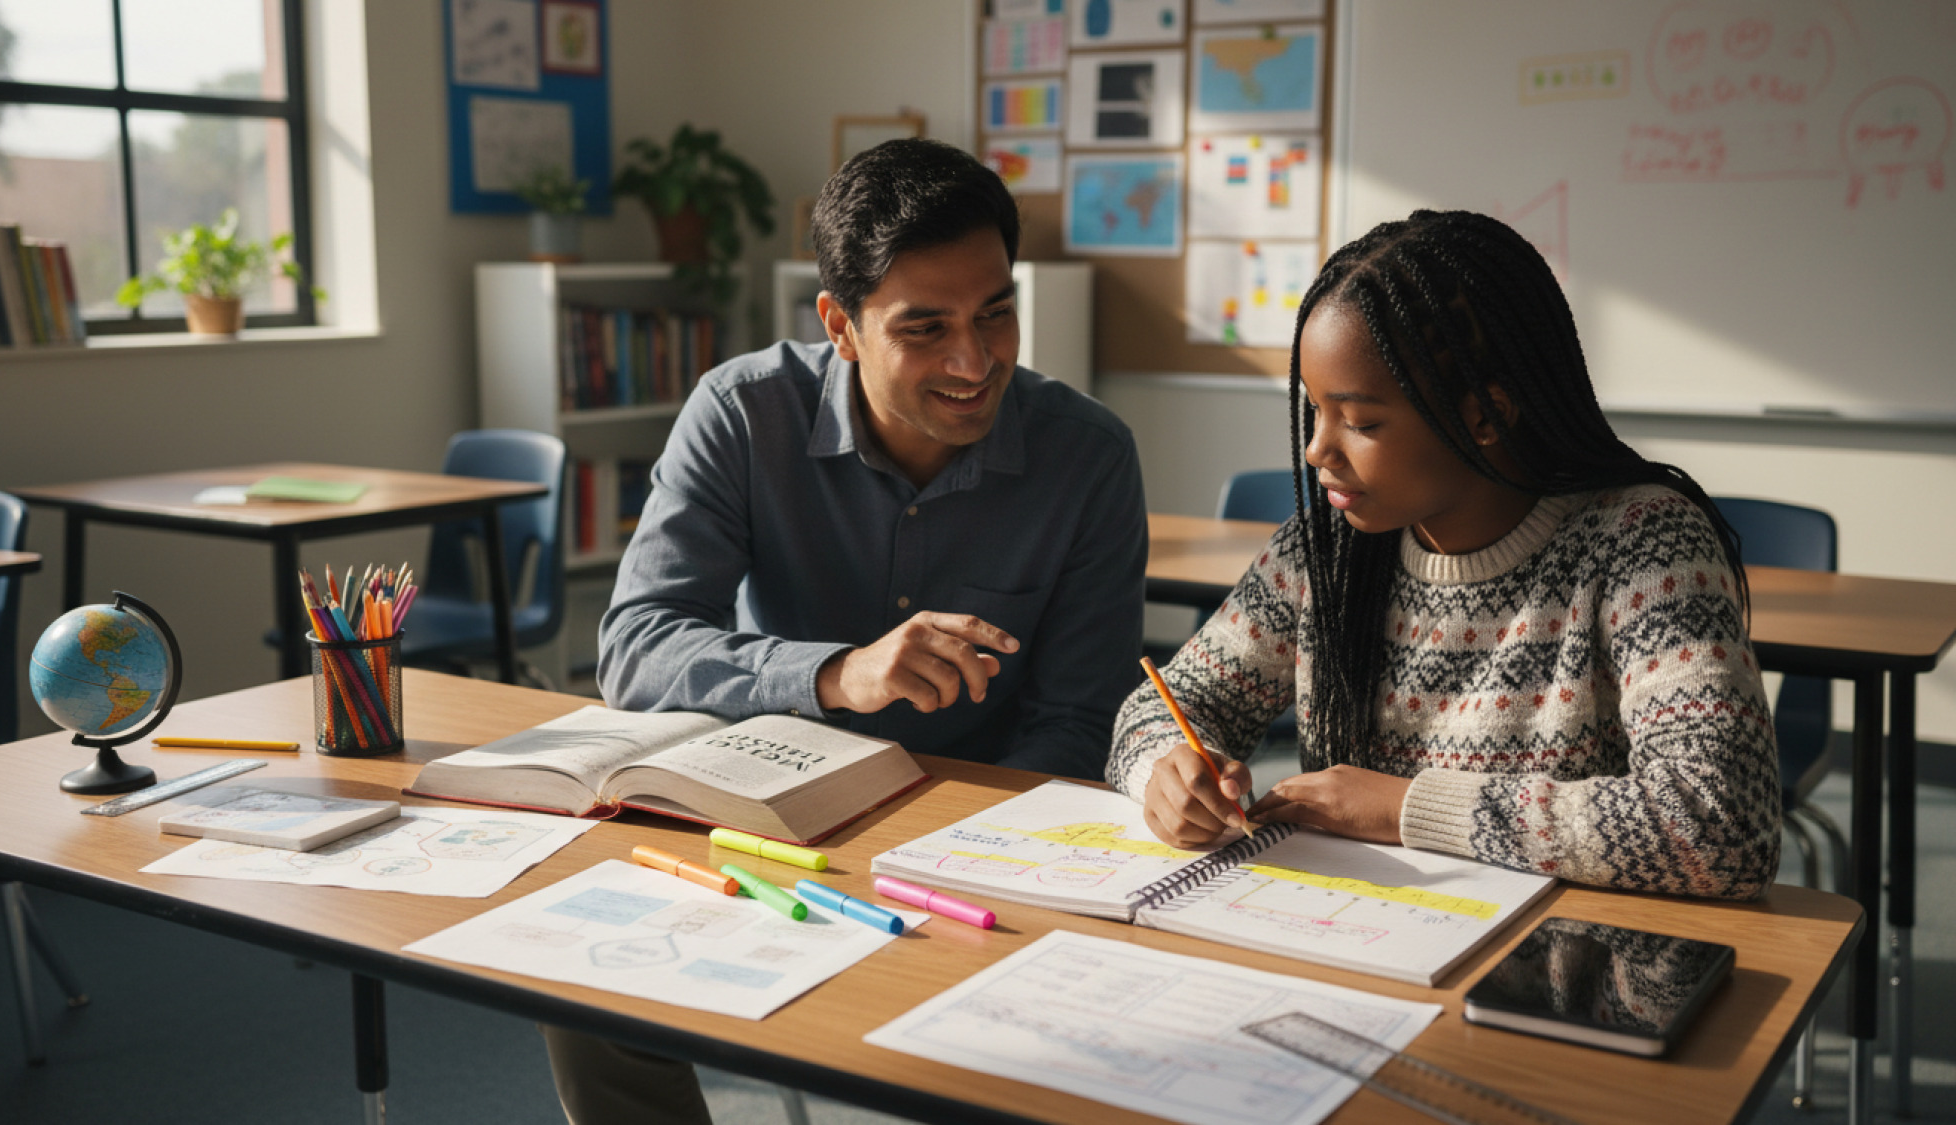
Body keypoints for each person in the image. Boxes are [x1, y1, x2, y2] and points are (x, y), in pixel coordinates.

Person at [544, 137, 1148, 1124]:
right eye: (925, 329)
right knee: (578, 983)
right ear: (840, 324)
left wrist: (962, 849)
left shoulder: (1086, 456)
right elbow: (636, 648)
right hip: (761, 819)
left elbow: (1078, 720)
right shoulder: (741, 414)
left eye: (996, 313)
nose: (974, 360)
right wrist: (837, 675)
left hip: (979, 840)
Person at [1109, 209, 1781, 901]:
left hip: (1566, 969)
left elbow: (1722, 823)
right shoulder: (1321, 555)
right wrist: (1169, 769)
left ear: (1485, 415)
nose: (1316, 450)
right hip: (1365, 940)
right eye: (1314, 411)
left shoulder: (1646, 545)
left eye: (1361, 421)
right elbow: (1155, 709)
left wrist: (1408, 809)